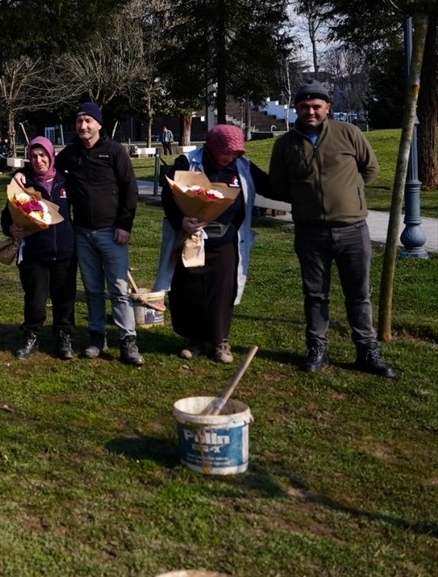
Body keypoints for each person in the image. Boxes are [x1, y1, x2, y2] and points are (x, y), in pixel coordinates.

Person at [268, 80, 394, 377]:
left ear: (328, 108)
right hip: (311, 233)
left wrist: (351, 193)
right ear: (296, 108)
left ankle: (367, 350)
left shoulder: (348, 133)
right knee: (315, 294)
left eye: (316, 106)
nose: (310, 111)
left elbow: (370, 168)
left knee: (359, 294)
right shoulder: (286, 144)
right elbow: (278, 184)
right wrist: (304, 200)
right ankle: (317, 348)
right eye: (304, 106)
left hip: (352, 229)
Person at [155, 125, 273, 364]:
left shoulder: (243, 166)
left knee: (222, 290)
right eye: (226, 152)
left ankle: (220, 341)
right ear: (212, 147)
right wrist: (182, 221)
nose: (231, 157)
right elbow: (169, 195)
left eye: (235, 153)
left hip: (226, 240)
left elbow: (270, 186)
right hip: (193, 237)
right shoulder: (187, 162)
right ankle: (195, 340)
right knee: (190, 289)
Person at [52, 101, 143, 366]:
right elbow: (46, 170)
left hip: (112, 232)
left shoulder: (114, 152)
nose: (83, 126)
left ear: (99, 124)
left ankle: (128, 341)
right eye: (79, 121)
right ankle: (96, 337)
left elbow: (130, 190)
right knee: (92, 289)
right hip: (82, 232)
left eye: (88, 121)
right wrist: (22, 175)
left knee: (118, 289)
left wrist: (124, 225)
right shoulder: (70, 154)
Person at [2, 136, 76, 361]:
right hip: (35, 253)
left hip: (65, 251)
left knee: (64, 298)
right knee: (35, 298)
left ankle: (64, 337)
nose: (38, 160)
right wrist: (10, 228)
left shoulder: (66, 181)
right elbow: (7, 216)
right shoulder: (23, 185)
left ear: (51, 156)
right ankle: (31, 335)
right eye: (33, 156)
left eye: (43, 155)